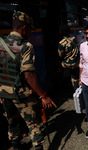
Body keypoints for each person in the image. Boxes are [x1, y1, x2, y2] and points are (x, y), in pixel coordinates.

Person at [0, 11, 57, 150]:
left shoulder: (1, 41)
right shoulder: (26, 46)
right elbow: (28, 75)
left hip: (4, 94)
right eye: (30, 28)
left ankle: (16, 146)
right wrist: (43, 96)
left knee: (12, 124)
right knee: (34, 125)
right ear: (24, 28)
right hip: (21, 95)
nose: (31, 32)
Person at [57, 24, 79, 91]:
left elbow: (60, 55)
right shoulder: (74, 39)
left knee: (58, 65)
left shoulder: (62, 43)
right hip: (77, 62)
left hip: (68, 64)